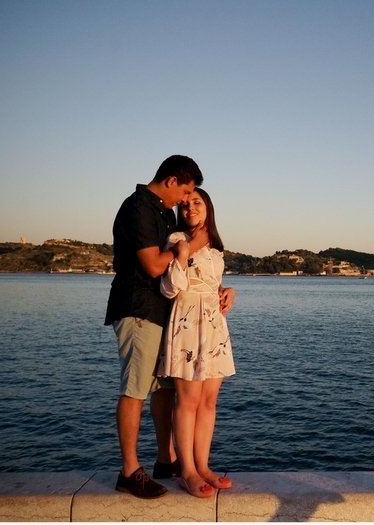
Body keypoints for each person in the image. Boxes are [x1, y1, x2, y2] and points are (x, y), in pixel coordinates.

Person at [104, 155, 208, 499]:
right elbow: (151, 265)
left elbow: (180, 272)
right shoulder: (138, 208)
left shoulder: (162, 212)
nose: (184, 200)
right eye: (186, 191)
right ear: (171, 181)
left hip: (163, 314)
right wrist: (189, 247)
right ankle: (129, 471)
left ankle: (167, 460)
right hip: (138, 309)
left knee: (164, 389)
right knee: (135, 389)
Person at [156, 187, 236, 499]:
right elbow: (170, 287)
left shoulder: (216, 247)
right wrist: (187, 250)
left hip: (214, 325)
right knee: (187, 401)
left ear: (208, 208)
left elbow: (211, 283)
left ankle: (203, 465)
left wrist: (230, 290)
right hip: (188, 323)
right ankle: (186, 470)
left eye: (197, 203)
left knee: (209, 401)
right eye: (186, 204)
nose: (190, 208)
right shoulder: (177, 241)